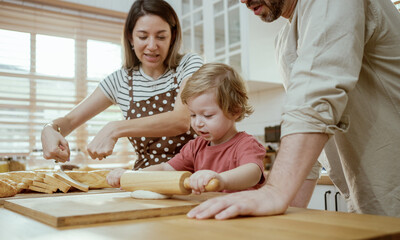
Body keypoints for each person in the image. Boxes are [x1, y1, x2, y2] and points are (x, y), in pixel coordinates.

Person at [187, 0, 400, 220]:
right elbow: (309, 124)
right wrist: (284, 211)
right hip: (368, 200)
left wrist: (276, 191)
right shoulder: (284, 41)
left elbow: (315, 98)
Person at [41, 0, 203, 172]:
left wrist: (115, 128)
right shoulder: (120, 81)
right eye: (143, 36)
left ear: (173, 36)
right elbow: (69, 121)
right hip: (145, 178)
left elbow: (181, 120)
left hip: (195, 174)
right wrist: (49, 129)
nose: (152, 45)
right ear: (130, 37)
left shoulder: (188, 65)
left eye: (161, 37)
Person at [108, 63, 266, 192]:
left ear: (234, 111)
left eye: (208, 115)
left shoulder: (246, 144)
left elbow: (252, 173)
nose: (198, 123)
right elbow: (165, 168)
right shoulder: (195, 147)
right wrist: (133, 175)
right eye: (193, 115)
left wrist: (221, 180)